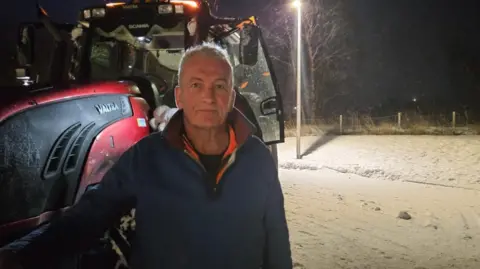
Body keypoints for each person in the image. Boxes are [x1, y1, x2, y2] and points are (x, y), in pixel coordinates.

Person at [0, 42, 292, 269]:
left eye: (219, 86)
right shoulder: (146, 156)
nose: (208, 96)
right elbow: (89, 217)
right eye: (196, 85)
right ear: (179, 97)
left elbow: (276, 239)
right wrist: (25, 257)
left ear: (231, 95)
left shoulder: (257, 159)